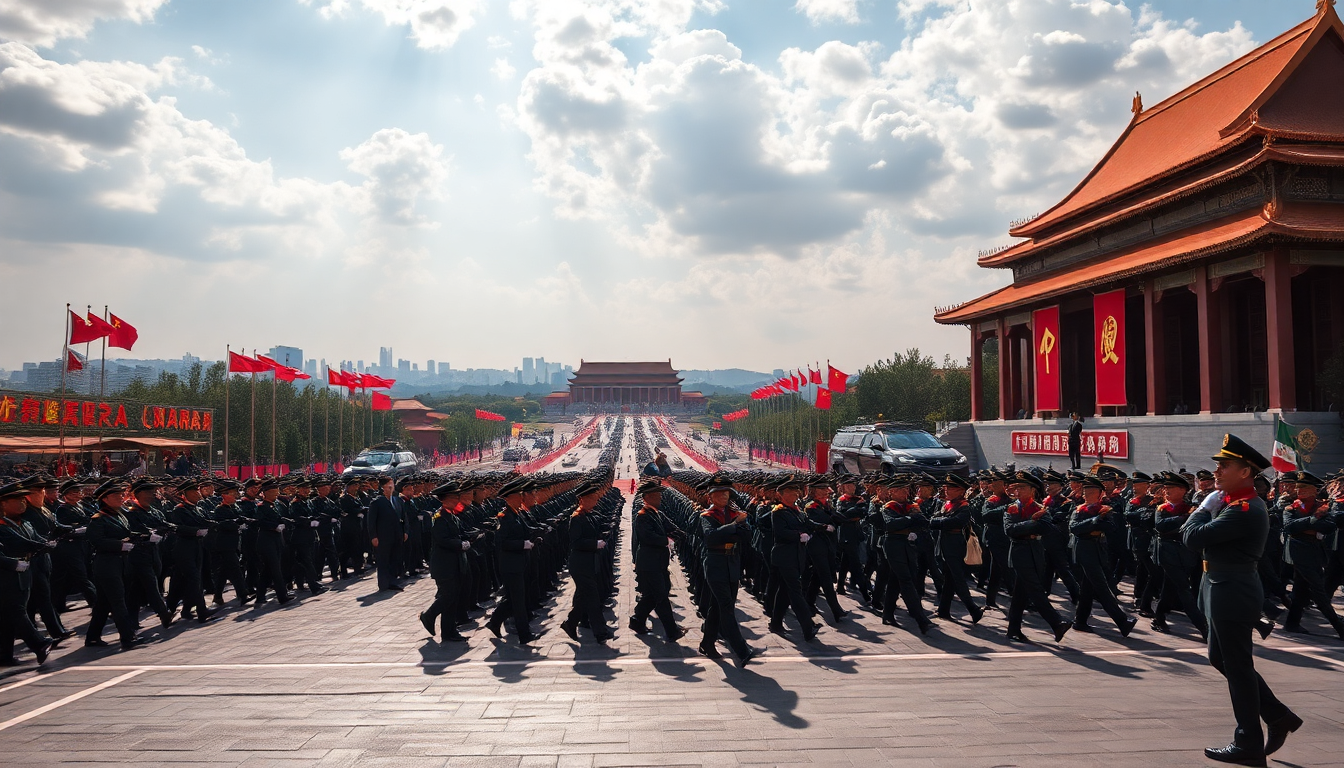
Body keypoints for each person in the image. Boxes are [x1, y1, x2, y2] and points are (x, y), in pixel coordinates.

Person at [1182, 434, 1301, 766]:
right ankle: (1277, 716)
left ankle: (1249, 742)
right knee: (1223, 659)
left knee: (1236, 665)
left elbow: (1191, 538)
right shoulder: (1234, 504)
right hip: (1218, 583)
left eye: (1224, 466)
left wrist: (1203, 507)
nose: (1216, 472)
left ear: (1246, 472)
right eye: (1217, 466)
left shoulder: (1246, 508)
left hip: (1232, 587)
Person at [697, 473, 758, 664]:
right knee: (725, 607)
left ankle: (707, 643)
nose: (724, 497)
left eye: (726, 494)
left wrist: (734, 528)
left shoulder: (733, 514)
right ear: (710, 497)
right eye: (719, 494)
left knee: (718, 607)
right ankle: (741, 649)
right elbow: (711, 537)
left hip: (732, 564)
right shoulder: (707, 516)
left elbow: (746, 536)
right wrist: (734, 526)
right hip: (715, 564)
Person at [1003, 471, 1070, 644]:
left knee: (1021, 593)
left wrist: (1030, 525)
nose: (1018, 491)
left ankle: (1013, 630)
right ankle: (1056, 622)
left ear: (1033, 490)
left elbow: (1047, 527)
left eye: (1022, 487)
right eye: (1016, 488)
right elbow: (1010, 530)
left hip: (1036, 552)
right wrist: (1033, 523)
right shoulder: (1012, 508)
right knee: (1035, 589)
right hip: (1020, 553)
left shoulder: (1040, 508)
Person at [560, 479, 614, 644]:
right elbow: (575, 543)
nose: (595, 500)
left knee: (584, 597)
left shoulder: (590, 515)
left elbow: (596, 531)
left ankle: (571, 623)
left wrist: (605, 533)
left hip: (589, 563)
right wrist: (594, 544)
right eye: (592, 498)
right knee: (592, 597)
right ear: (582, 499)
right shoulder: (576, 518)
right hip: (580, 564)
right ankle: (600, 632)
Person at [420, 481, 470, 642]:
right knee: (448, 596)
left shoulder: (450, 515)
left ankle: (449, 631)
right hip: (444, 565)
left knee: (453, 597)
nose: (458, 499)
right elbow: (442, 539)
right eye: (455, 496)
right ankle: (429, 615)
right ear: (447, 498)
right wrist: (459, 544)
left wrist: (469, 538)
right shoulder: (439, 516)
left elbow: (458, 533)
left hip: (454, 563)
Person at [366, 475, 405, 592]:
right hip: (383, 537)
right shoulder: (377, 502)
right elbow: (371, 521)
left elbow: (403, 518)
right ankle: (383, 584)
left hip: (396, 535)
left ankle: (392, 582)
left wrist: (405, 532)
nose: (392, 486)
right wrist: (373, 536)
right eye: (389, 484)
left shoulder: (397, 501)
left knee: (394, 559)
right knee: (383, 561)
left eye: (392, 484)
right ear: (383, 487)